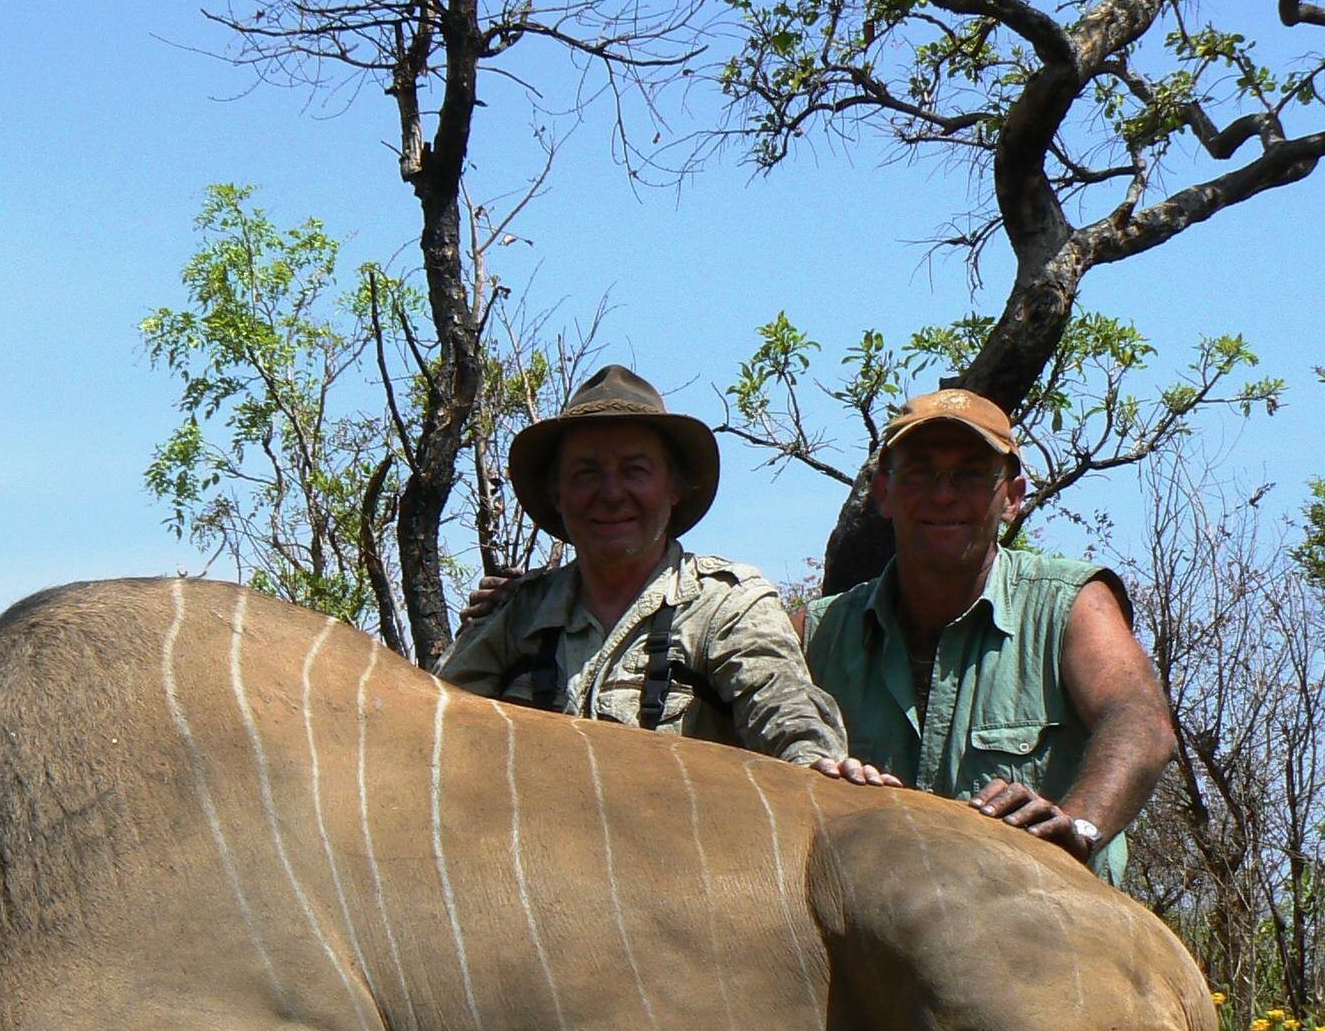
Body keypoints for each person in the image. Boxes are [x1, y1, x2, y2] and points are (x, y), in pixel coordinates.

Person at [800, 389, 1176, 881]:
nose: (943, 493)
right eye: (919, 472)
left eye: (972, 474)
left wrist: (1078, 827)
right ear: (884, 493)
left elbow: (1140, 721)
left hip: (1048, 929)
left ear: (1012, 497)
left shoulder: (1070, 604)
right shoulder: (817, 633)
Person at [440, 365, 848, 766]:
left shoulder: (725, 605)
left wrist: (815, 763)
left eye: (635, 471)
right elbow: (434, 724)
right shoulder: (515, 614)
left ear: (673, 487)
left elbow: (783, 708)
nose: (612, 493)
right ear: (558, 494)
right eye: (586, 473)